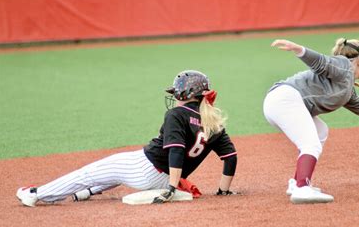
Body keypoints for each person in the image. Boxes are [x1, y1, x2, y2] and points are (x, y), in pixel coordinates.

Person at [16, 70, 238, 207]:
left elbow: (177, 151)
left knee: (86, 173)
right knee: (114, 171)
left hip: (146, 169)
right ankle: (86, 193)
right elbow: (231, 157)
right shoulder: (215, 122)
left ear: (185, 94)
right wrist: (223, 190)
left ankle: (36, 194)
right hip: (163, 178)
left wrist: (171, 189)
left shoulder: (177, 114)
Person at [263, 38, 359, 204]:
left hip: (281, 101)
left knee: (320, 132)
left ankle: (297, 183)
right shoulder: (344, 65)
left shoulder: (345, 84)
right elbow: (321, 62)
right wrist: (299, 49)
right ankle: (302, 188)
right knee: (311, 144)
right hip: (285, 100)